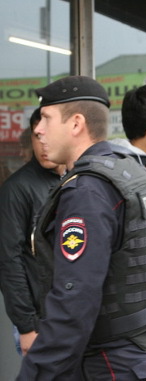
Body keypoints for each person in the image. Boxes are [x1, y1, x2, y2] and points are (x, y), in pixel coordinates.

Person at [17, 76, 146, 380]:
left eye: (46, 118)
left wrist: (34, 374)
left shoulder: (88, 192)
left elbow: (74, 299)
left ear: (76, 124)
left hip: (108, 363)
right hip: (139, 355)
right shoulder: (129, 171)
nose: (37, 128)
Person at [0, 108, 65, 356]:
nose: (44, 144)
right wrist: (27, 327)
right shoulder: (17, 188)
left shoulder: (77, 179)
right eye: (38, 137)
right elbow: (9, 260)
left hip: (70, 316)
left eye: (49, 135)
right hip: (38, 321)